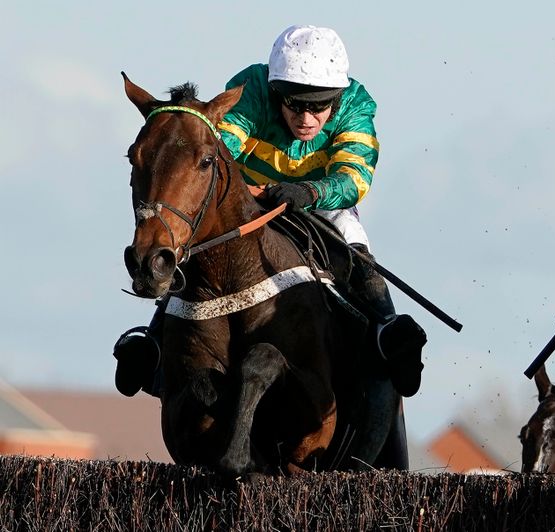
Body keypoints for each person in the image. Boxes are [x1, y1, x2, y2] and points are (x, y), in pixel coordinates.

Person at [113, 25, 427, 401]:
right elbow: (216, 150)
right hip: (247, 202)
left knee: (357, 250)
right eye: (295, 104)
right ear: (276, 91)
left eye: (319, 105)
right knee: (194, 247)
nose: (307, 118)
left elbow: (354, 177)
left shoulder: (357, 104)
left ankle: (387, 332)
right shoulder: (252, 89)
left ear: (337, 98)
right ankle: (153, 339)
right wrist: (249, 192)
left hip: (323, 207)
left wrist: (309, 190)